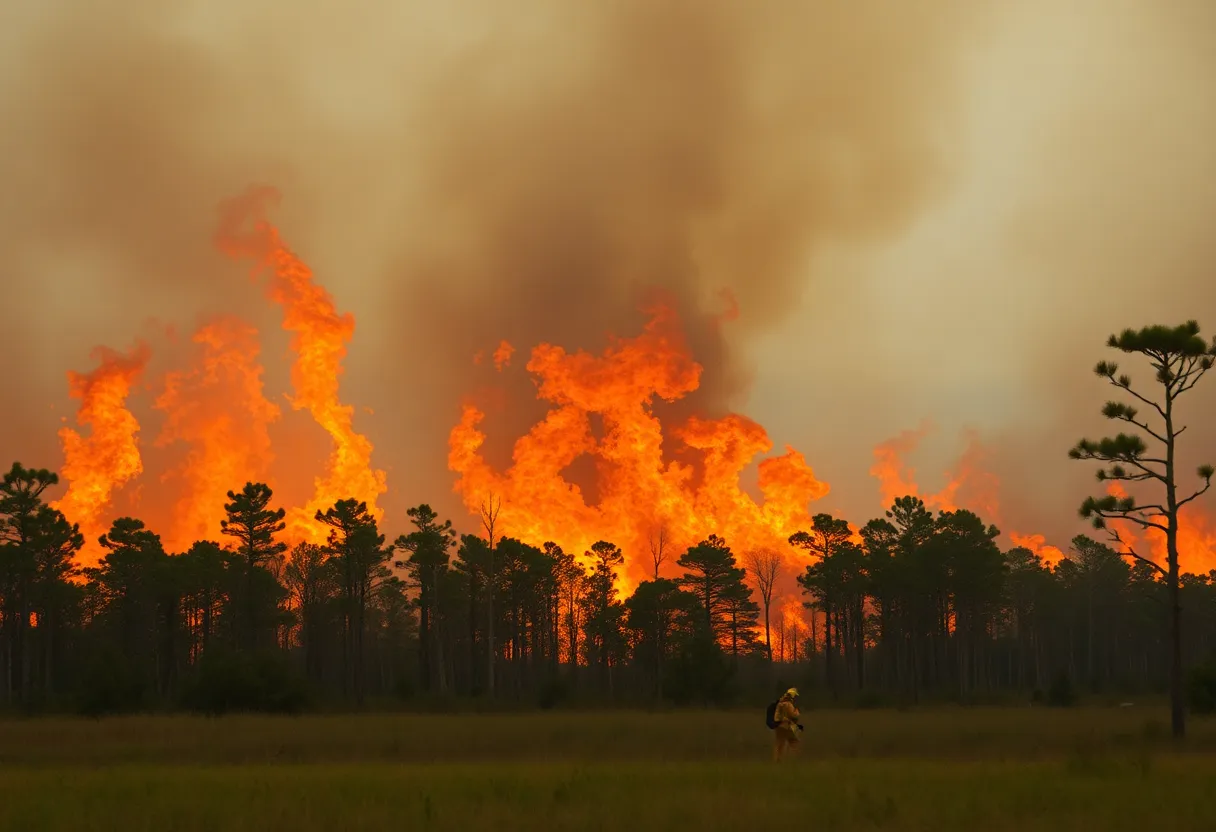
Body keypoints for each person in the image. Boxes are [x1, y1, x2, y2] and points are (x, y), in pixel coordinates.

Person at [772, 687, 803, 761]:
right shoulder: (788, 704)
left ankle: (777, 759)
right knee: (794, 742)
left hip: (778, 726)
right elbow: (793, 715)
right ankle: (796, 759)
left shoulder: (780, 704)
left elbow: (776, 716)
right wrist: (797, 712)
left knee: (779, 744)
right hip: (787, 726)